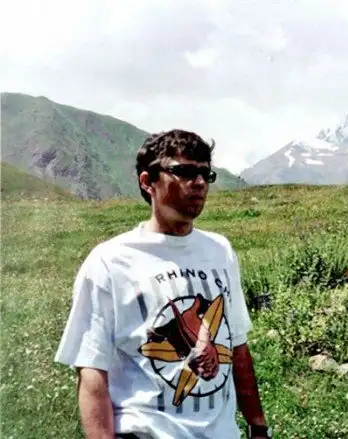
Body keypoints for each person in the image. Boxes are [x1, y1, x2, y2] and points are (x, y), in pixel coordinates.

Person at [54, 129, 271, 439]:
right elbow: (92, 370)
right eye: (184, 172)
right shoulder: (110, 261)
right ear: (148, 181)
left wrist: (258, 426)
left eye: (205, 174)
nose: (199, 182)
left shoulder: (219, 251)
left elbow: (237, 347)